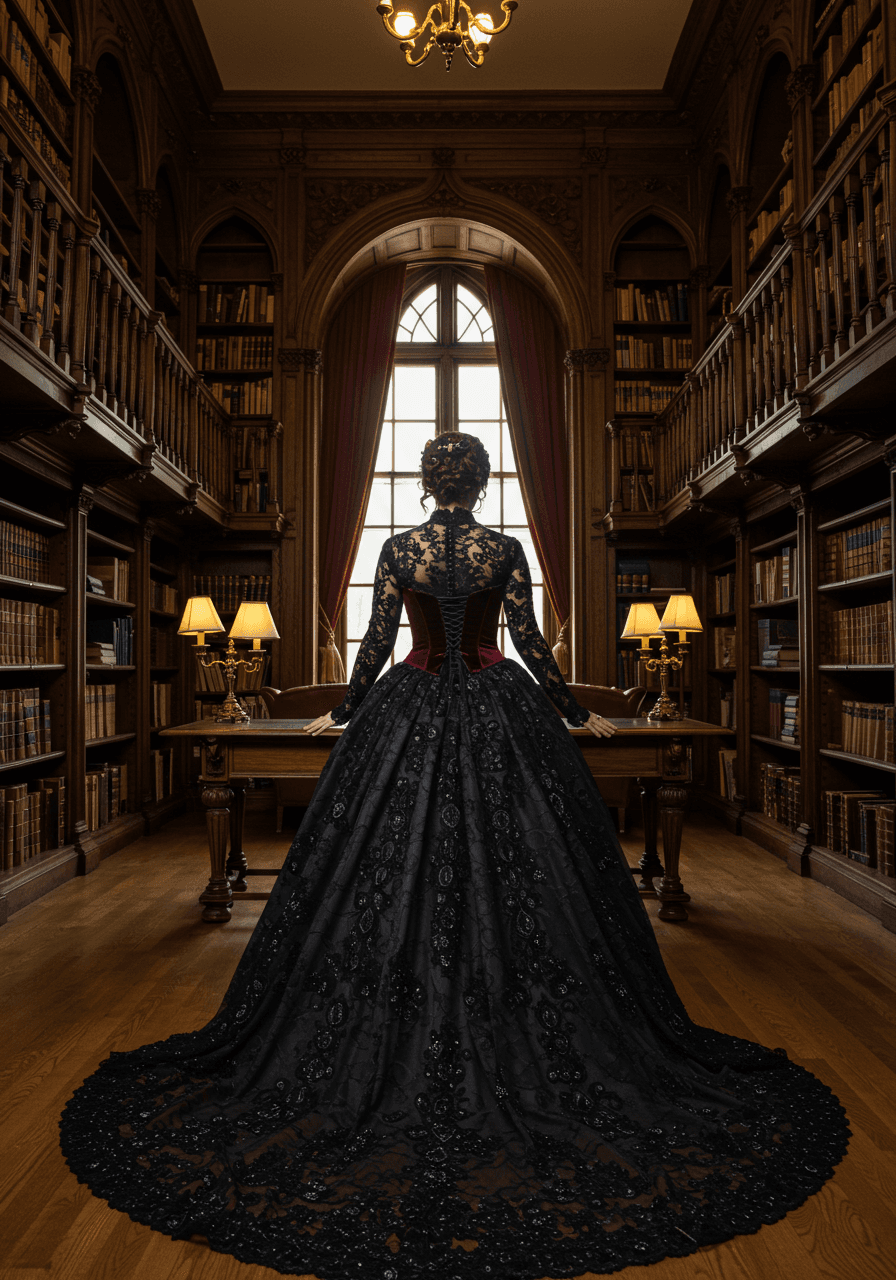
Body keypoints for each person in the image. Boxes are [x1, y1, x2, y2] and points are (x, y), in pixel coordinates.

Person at [60, 433, 848, 1278]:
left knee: (376, 863)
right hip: (499, 703)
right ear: (477, 483)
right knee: (531, 859)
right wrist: (571, 712)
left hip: (408, 702)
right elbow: (529, 642)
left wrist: (349, 711)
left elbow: (376, 643)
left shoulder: (399, 549)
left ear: (431, 484)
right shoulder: (502, 550)